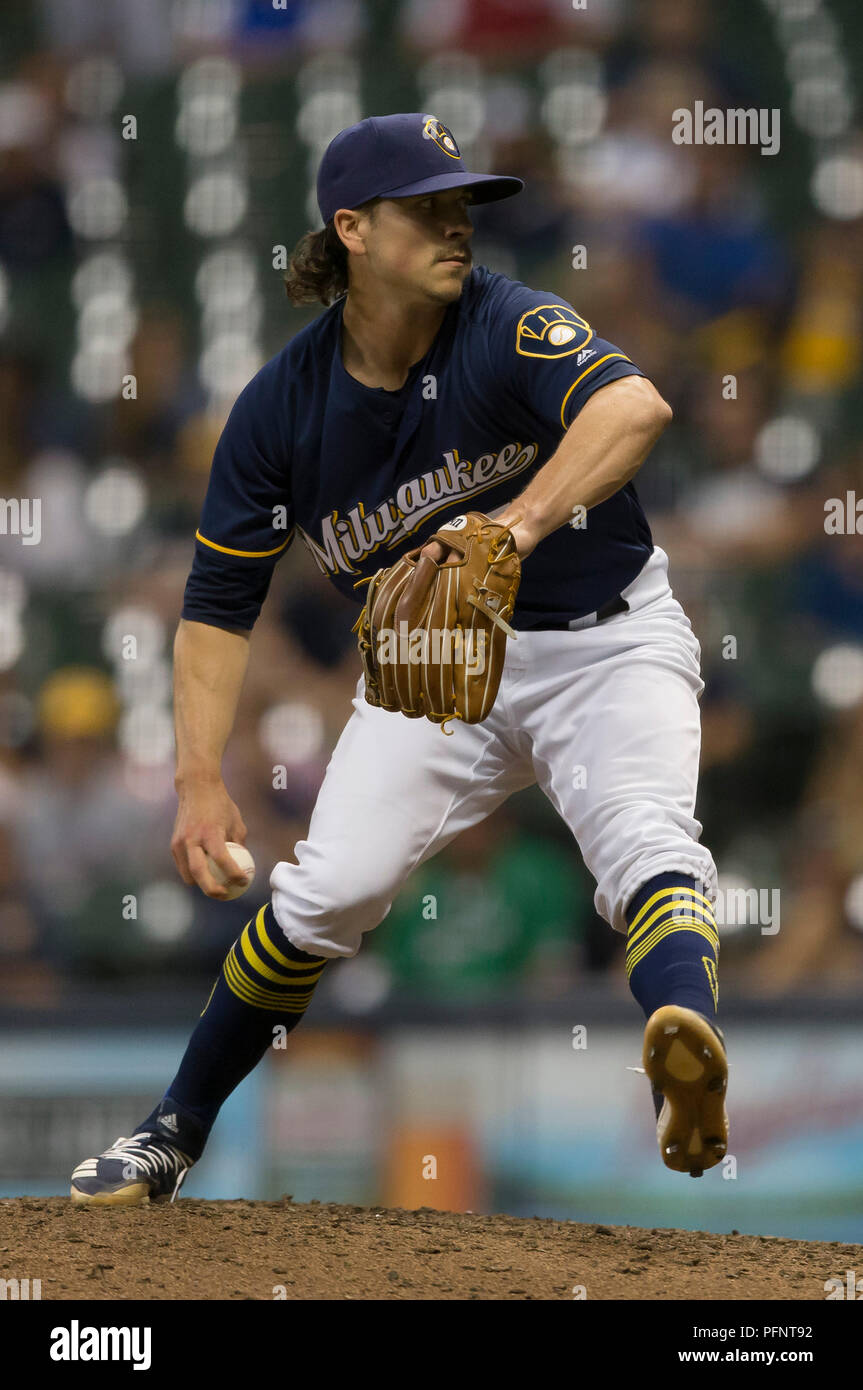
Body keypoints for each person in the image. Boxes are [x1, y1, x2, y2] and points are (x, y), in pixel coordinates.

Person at [71, 113, 727, 1206]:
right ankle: (170, 1132)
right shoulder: (279, 409)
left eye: (460, 205)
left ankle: (683, 1049)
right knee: (327, 891)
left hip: (604, 640)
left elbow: (633, 405)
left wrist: (512, 527)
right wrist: (196, 778)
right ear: (352, 231)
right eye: (424, 209)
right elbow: (218, 601)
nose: (454, 226)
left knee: (645, 841)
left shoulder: (507, 321)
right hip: (431, 672)